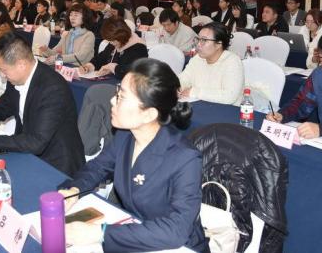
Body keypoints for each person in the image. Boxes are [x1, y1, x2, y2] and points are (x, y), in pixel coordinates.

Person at [58, 59, 206, 252]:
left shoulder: (185, 158)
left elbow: (176, 230)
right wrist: (74, 190)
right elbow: (97, 168)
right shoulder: (125, 136)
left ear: (148, 114)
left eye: (121, 97)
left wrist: (101, 233)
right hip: (136, 232)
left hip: (176, 247)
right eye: (117, 92)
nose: (112, 101)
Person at [0, 33, 85, 176]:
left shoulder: (53, 89)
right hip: (27, 155)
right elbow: (3, 106)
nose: (1, 75)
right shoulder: (17, 77)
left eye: (3, 70)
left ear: (21, 64)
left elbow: (36, 141)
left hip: (56, 166)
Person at [179, 22, 244, 104]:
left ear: (218, 44)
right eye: (198, 39)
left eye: (204, 40)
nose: (198, 44)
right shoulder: (197, 59)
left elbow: (229, 96)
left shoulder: (232, 62)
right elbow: (183, 79)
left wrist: (193, 92)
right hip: (200, 106)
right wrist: (177, 88)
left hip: (227, 109)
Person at [79, 17, 148, 79]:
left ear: (122, 36)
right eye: (109, 40)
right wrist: (89, 66)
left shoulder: (139, 48)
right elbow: (101, 58)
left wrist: (113, 67)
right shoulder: (115, 42)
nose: (111, 43)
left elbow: (133, 72)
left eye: (113, 40)